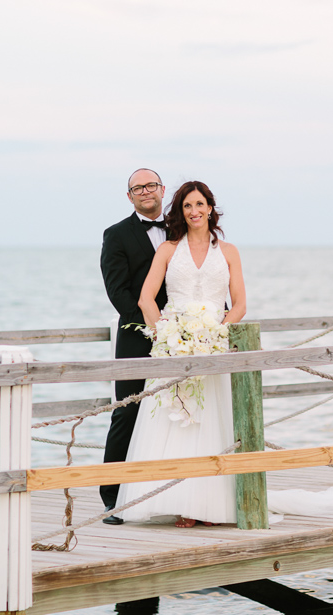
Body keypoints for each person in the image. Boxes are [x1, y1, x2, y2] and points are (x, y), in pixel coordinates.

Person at [115, 180, 246, 528]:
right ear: (180, 211)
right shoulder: (169, 250)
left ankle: (210, 504)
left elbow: (240, 304)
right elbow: (146, 300)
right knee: (175, 423)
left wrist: (215, 334)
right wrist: (167, 337)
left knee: (210, 421)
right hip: (174, 347)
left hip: (214, 347)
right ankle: (176, 502)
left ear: (210, 207)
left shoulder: (229, 251)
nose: (194, 211)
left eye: (200, 204)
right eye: (187, 206)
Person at [99, 169, 169, 521]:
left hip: (186, 336)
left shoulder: (185, 228)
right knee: (128, 411)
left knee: (182, 412)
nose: (145, 191)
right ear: (130, 196)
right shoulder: (116, 235)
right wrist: (154, 328)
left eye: (151, 185)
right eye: (137, 187)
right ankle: (112, 496)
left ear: (162, 189)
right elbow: (118, 292)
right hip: (136, 336)